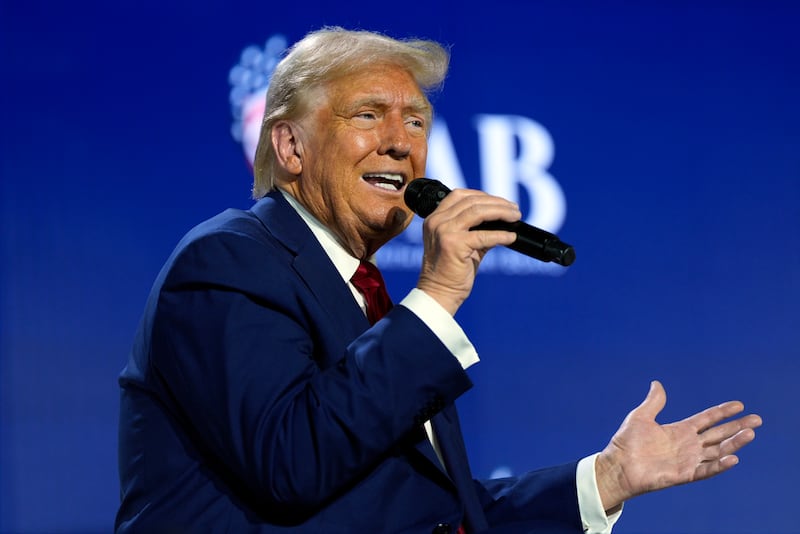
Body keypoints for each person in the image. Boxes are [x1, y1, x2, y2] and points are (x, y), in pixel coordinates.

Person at [115, 27, 762, 534]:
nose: (402, 143)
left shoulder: (363, 297)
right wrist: (440, 294)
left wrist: (609, 477)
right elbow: (293, 463)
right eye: (368, 115)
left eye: (417, 121)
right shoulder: (227, 262)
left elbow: (435, 517)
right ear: (290, 148)